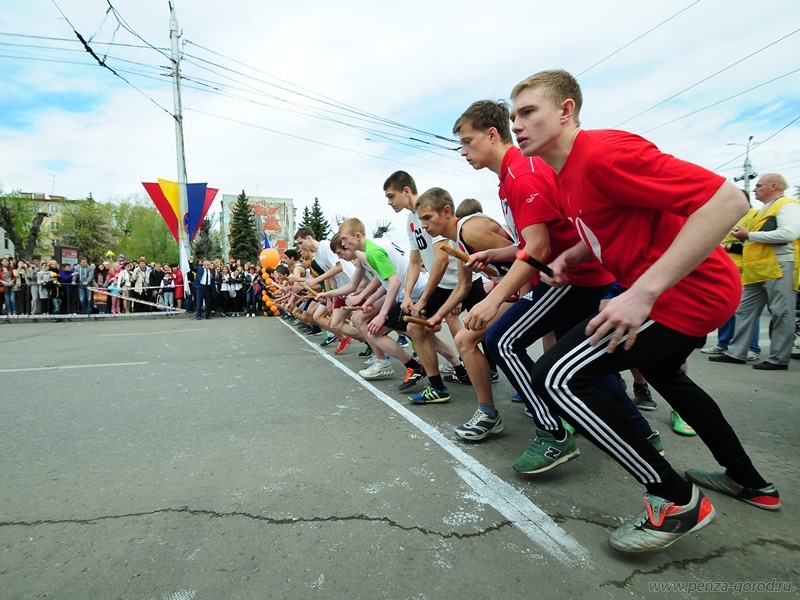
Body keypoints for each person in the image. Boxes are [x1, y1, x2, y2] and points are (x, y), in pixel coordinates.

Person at [509, 69, 779, 555]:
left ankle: (675, 500)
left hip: (689, 292)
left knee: (557, 377)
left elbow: (729, 199)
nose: (518, 125)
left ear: (566, 110)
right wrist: (576, 255)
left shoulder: (602, 152)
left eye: (528, 112)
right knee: (666, 377)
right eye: (513, 117)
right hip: (685, 291)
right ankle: (749, 480)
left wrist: (643, 292)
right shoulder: (564, 172)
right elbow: (617, 225)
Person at [384, 170, 470, 396]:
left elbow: (441, 259)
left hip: (463, 280)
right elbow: (415, 261)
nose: (389, 202)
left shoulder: (430, 212)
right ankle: (439, 386)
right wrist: (409, 294)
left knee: (477, 336)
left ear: (406, 191)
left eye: (391, 196)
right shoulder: (411, 221)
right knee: (415, 327)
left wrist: (422, 298)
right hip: (442, 284)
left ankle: (472, 369)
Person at [709, 174, 800, 370]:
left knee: (782, 313)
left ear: (773, 186)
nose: (755, 189)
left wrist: (748, 235)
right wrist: (745, 236)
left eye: (759, 185)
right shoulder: (763, 210)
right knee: (744, 311)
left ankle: (778, 359)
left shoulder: (787, 204)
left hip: (779, 265)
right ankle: (736, 352)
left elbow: (789, 234)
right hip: (758, 268)